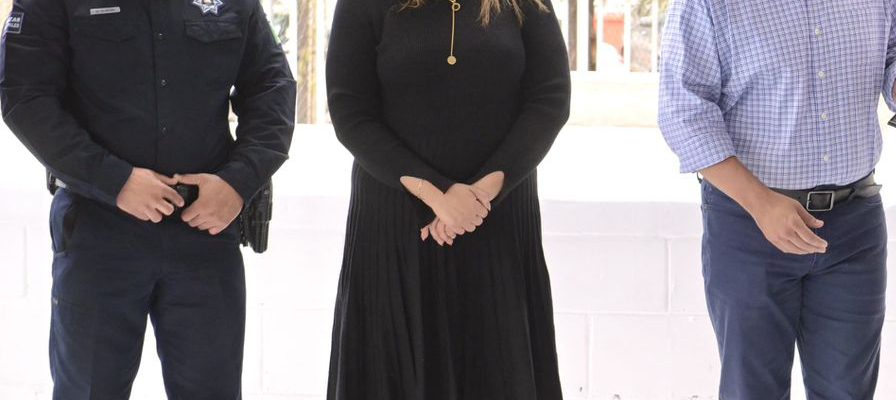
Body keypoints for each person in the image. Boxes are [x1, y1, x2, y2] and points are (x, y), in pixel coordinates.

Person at [0, 0, 295, 395]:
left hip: (204, 233)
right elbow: (25, 96)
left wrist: (238, 182)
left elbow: (273, 87)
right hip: (99, 233)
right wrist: (114, 180)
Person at [656, 0, 896, 398]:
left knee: (849, 393)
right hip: (749, 225)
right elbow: (684, 111)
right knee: (752, 391)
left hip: (854, 225)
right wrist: (761, 205)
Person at [323, 0, 570, 396]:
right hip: (396, 225)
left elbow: (550, 98)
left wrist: (480, 197)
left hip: (497, 223)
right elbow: (349, 110)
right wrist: (436, 195)